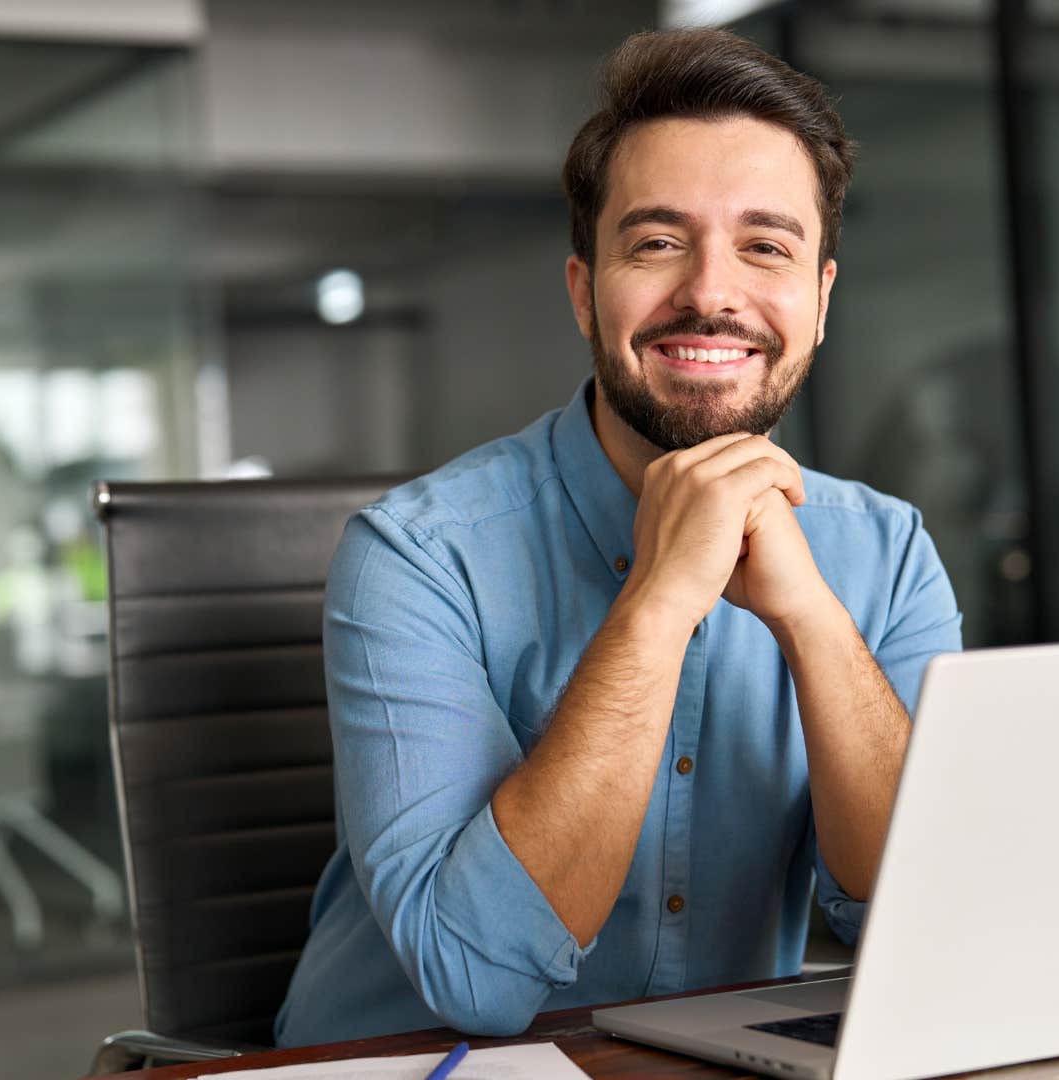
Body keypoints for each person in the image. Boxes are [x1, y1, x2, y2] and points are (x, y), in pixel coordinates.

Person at [275, 28, 962, 1045]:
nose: (712, 293)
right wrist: (660, 599)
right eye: (656, 242)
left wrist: (813, 619)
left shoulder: (886, 551)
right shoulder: (416, 555)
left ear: (819, 301)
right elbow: (475, 979)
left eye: (765, 247)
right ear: (583, 291)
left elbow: (926, 918)